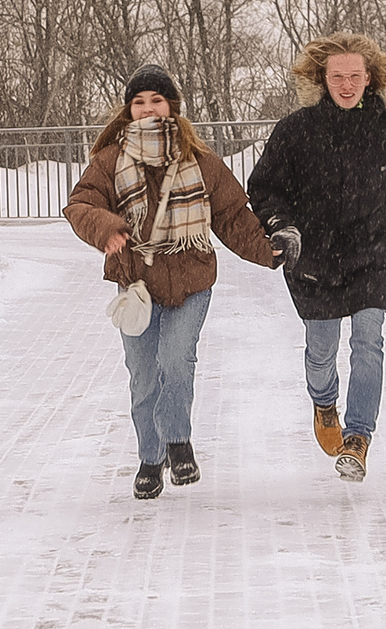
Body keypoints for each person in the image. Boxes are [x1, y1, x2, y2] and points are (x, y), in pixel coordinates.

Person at [65, 64, 278, 499]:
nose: (147, 109)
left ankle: (178, 443)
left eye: (156, 101)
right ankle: (150, 457)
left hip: (190, 276)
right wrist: (106, 227)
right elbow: (81, 203)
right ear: (128, 110)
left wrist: (271, 252)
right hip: (136, 284)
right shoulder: (109, 161)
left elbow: (233, 216)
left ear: (172, 107)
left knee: (176, 360)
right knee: (144, 378)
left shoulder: (200, 162)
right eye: (138, 102)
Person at [247, 32, 386, 483]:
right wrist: (281, 225)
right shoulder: (296, 130)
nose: (348, 84)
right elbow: (264, 187)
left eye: (356, 75)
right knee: (321, 352)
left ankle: (358, 438)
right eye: (339, 76)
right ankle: (324, 402)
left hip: (374, 253)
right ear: (323, 79)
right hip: (315, 259)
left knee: (368, 340)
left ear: (370, 78)